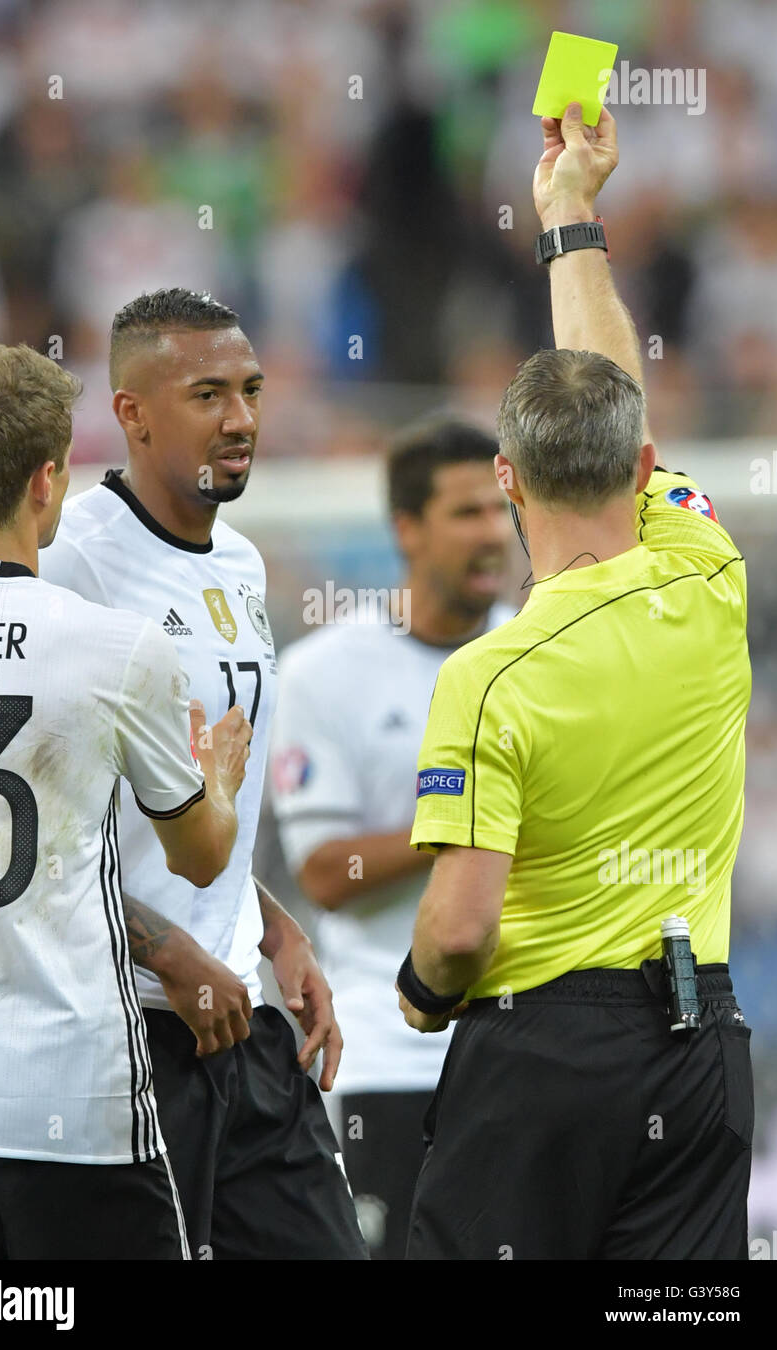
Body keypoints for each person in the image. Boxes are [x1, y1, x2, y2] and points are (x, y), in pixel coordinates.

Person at [397, 104, 753, 1260]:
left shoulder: (489, 676)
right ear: (646, 470)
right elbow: (616, 396)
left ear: (504, 476)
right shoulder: (708, 573)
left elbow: (460, 928)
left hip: (542, 1053)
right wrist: (573, 217)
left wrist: (417, 993)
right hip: (700, 1045)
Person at [40, 289, 367, 1261]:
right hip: (131, 1024)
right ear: (132, 414)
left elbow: (191, 800)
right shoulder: (72, 568)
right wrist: (171, 954)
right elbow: (32, 826)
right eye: (209, 394)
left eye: (254, 390)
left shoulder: (239, 563)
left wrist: (271, 925)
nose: (242, 420)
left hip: (244, 1014)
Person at [0, 342, 250, 1260]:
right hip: (70, 1099)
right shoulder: (114, 648)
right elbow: (198, 855)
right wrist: (216, 777)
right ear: (47, 479)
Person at [270, 416, 515, 1258]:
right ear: (406, 528)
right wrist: (473, 814)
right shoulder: (323, 672)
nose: (492, 533)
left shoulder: (543, 653)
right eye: (466, 513)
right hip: (394, 1050)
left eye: (499, 508)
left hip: (530, 1042)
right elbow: (324, 872)